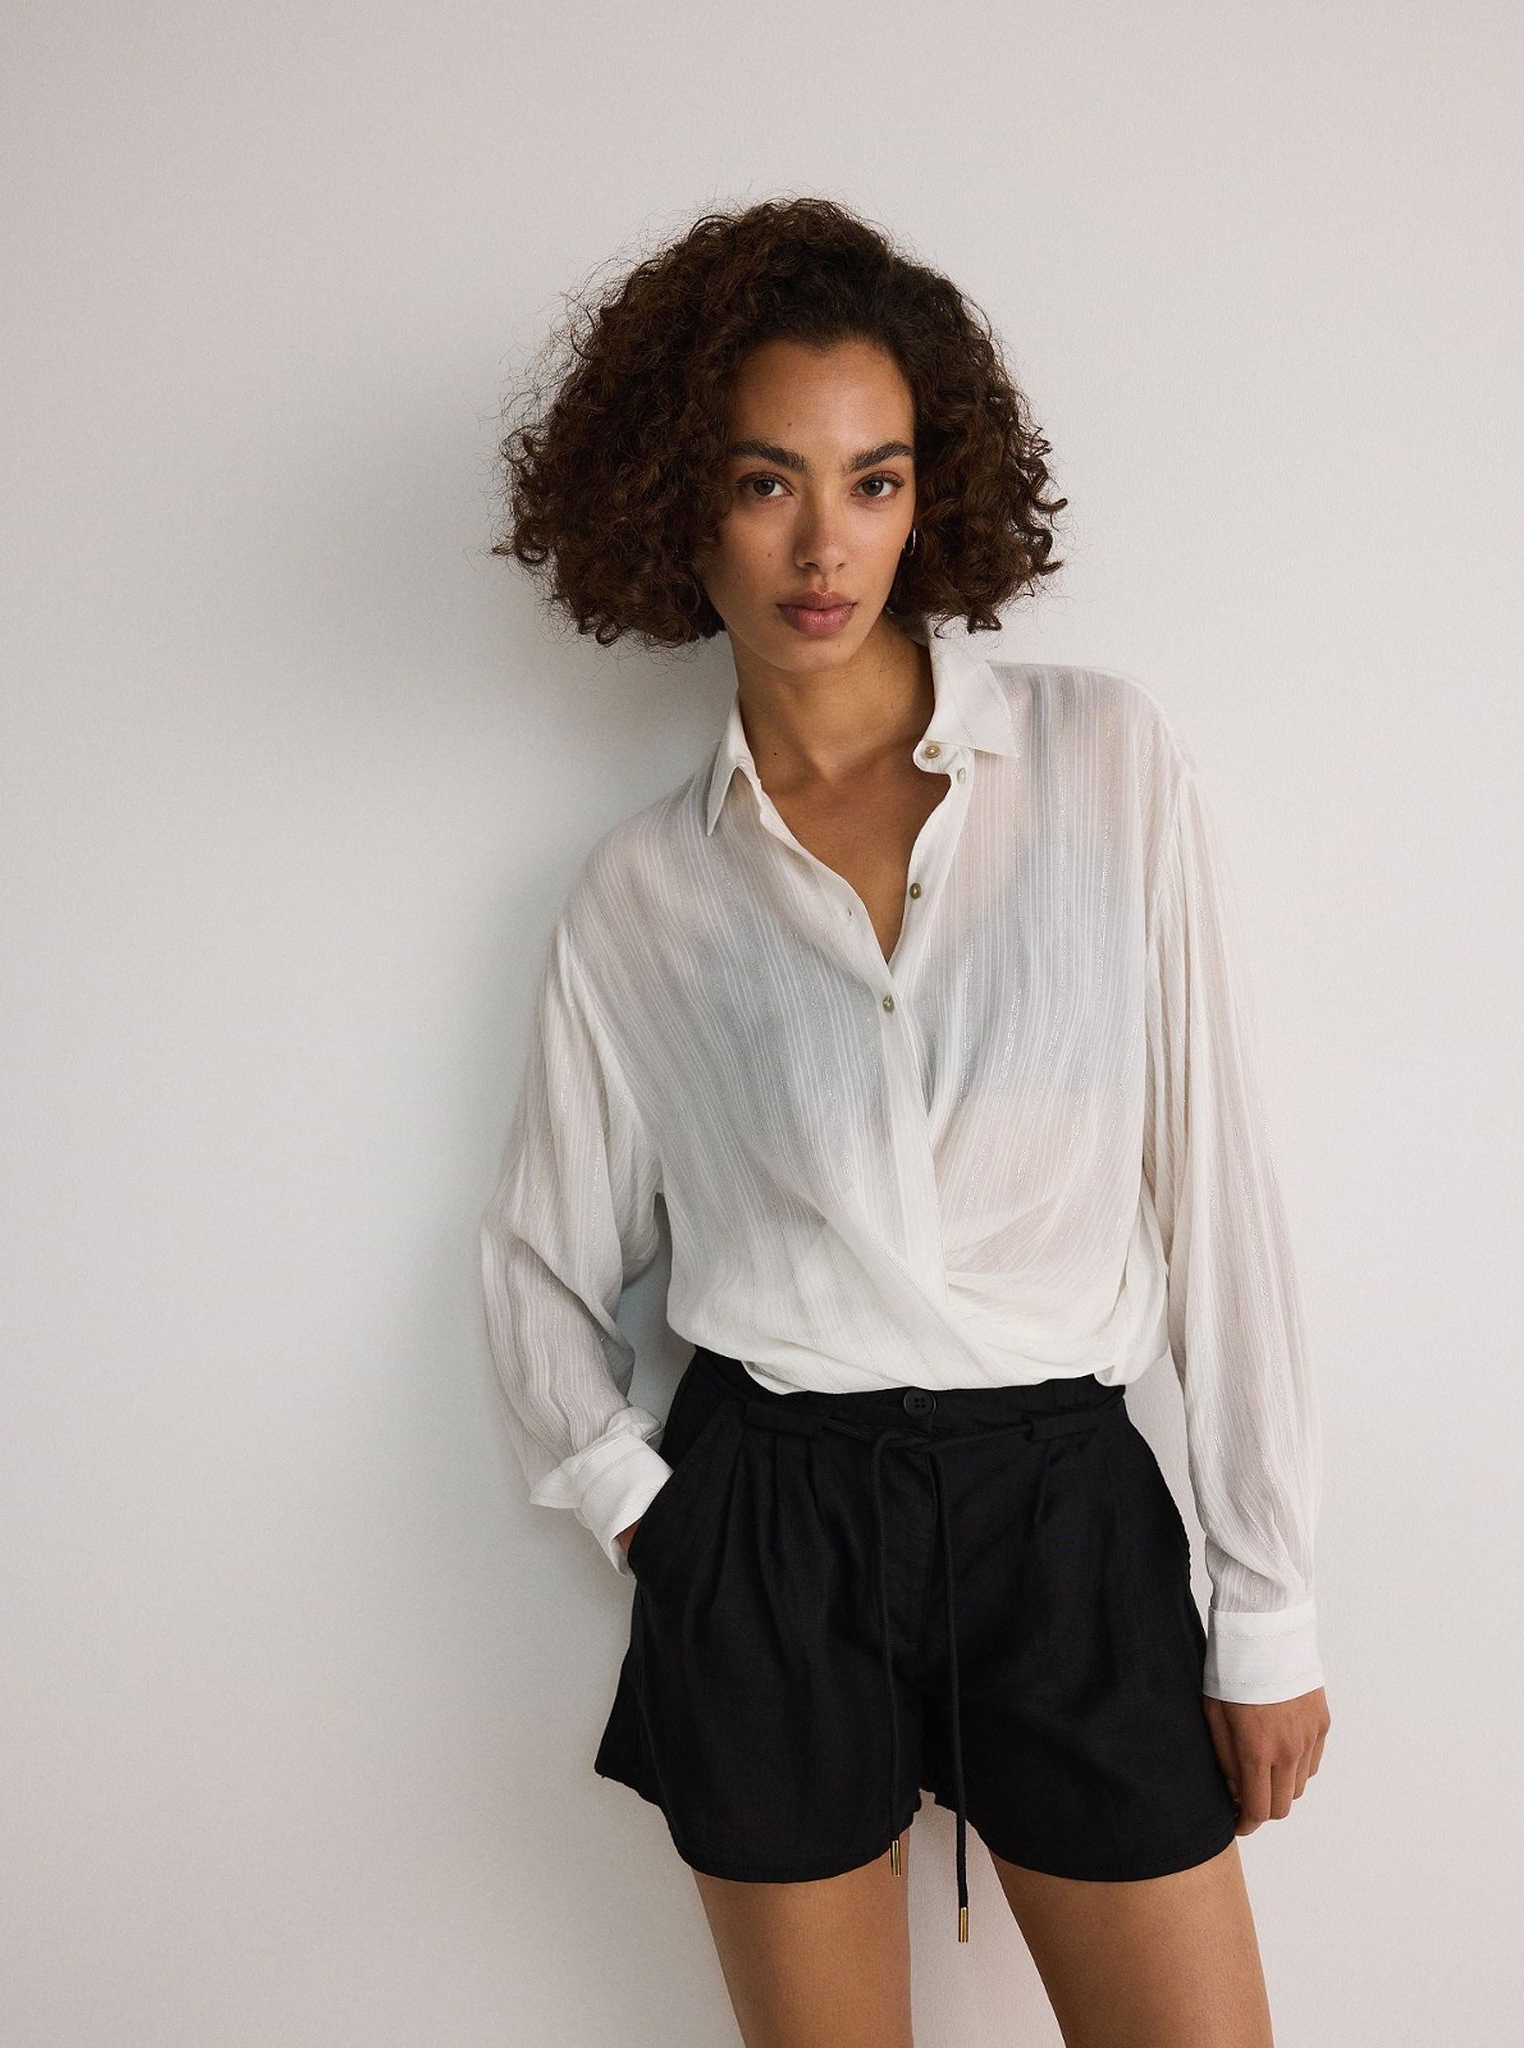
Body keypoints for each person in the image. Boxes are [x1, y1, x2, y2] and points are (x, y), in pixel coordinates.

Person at [479, 194, 1330, 2048]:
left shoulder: (1106, 763)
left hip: (1070, 1515)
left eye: (873, 481)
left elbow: (1223, 1198)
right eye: (764, 481)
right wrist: (662, 1522)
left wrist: (1268, 1607)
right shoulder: (644, 897)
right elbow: (540, 1267)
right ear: (674, 500)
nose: (823, 547)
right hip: (771, 1532)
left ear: (930, 494)